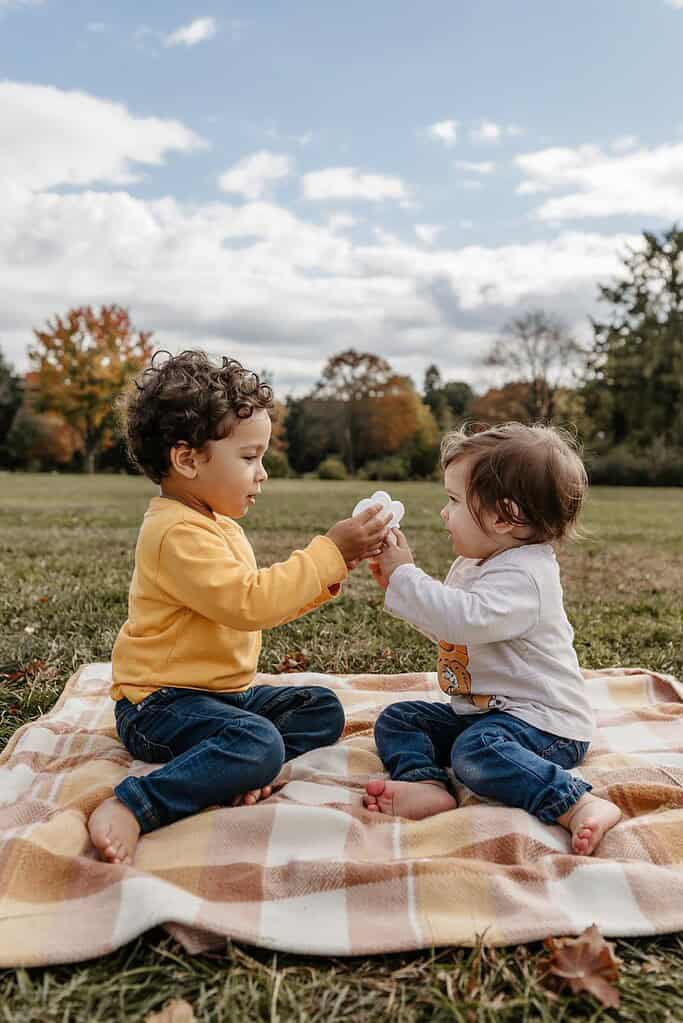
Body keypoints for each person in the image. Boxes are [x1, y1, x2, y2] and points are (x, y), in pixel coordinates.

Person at [88, 350, 391, 865]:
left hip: (220, 698)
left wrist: (333, 570)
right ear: (187, 459)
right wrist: (330, 552)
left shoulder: (214, 522)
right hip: (158, 706)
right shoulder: (175, 532)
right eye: (249, 458)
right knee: (258, 742)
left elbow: (257, 595)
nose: (263, 473)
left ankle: (229, 768)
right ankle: (137, 804)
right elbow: (249, 603)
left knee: (320, 709)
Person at [364, 422, 621, 856]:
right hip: (487, 714)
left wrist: (405, 576)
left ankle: (575, 802)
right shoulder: (483, 561)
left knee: (476, 752)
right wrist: (398, 584)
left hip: (546, 724)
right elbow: (455, 631)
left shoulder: (526, 576)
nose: (445, 513)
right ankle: (424, 783)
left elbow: (462, 620)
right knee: (401, 719)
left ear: (504, 516)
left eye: (453, 501)